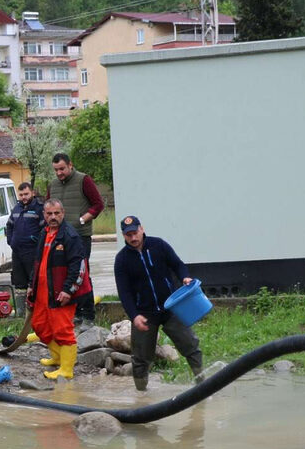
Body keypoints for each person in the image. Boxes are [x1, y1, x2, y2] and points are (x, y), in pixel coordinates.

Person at [113, 215, 203, 391]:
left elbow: (178, 264)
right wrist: (134, 316)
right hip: (144, 314)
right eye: (128, 234)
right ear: (124, 236)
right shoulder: (122, 260)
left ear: (142, 229)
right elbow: (124, 293)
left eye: (135, 232)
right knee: (140, 359)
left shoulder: (158, 245)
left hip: (171, 307)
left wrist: (185, 276)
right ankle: (141, 396)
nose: (133, 237)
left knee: (191, 346)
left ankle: (203, 384)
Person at [27, 199, 91, 380]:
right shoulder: (44, 233)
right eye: (49, 214)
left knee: (63, 330)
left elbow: (79, 266)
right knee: (40, 325)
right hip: (42, 292)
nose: (53, 217)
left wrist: (68, 290)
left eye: (56, 213)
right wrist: (32, 286)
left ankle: (67, 370)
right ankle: (57, 357)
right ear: (44, 215)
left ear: (63, 213)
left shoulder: (70, 236)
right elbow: (38, 263)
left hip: (60, 293)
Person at [46, 152, 103, 329]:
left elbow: (98, 204)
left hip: (79, 236)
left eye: (62, 169)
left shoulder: (83, 180)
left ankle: (88, 315)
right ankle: (75, 313)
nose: (59, 173)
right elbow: (48, 207)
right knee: (66, 275)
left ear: (70, 165)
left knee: (82, 274)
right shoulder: (53, 185)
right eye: (56, 170)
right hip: (58, 238)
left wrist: (82, 219)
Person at [5, 181, 44, 315]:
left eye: (26, 194)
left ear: (32, 193)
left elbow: (44, 230)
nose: (24, 197)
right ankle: (21, 312)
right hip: (17, 252)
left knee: (34, 282)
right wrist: (11, 241)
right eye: (21, 194)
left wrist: (37, 243)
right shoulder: (16, 208)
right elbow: (9, 226)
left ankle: (37, 311)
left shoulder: (40, 208)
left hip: (32, 252)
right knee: (19, 284)